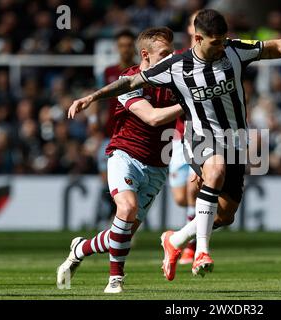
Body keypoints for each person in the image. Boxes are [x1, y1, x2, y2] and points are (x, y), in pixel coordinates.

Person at [68, 9, 281, 281]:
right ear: (198, 38)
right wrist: (92, 97)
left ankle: (175, 240)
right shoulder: (177, 66)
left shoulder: (233, 50)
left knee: (226, 214)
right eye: (215, 42)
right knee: (216, 170)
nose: (221, 46)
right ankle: (201, 252)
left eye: (223, 40)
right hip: (199, 137)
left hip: (234, 139)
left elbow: (270, 47)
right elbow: (130, 81)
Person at [57, 27, 183, 293]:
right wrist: (193, 102)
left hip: (158, 164)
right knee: (125, 210)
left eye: (172, 52)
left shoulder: (176, 81)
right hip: (125, 154)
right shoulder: (129, 79)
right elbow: (152, 118)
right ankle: (116, 279)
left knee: (122, 234)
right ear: (146, 55)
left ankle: (80, 248)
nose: (171, 58)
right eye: (165, 54)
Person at [95, 29, 137, 228]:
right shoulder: (109, 72)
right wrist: (95, 122)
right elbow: (100, 100)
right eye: (122, 45)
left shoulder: (140, 72)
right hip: (109, 134)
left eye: (129, 45)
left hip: (131, 136)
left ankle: (118, 224)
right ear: (117, 48)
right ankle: (114, 222)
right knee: (108, 184)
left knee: (125, 185)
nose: (125, 49)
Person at [169, 11, 199, 266]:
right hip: (178, 137)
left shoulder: (219, 58)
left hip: (204, 136)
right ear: (190, 29)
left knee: (193, 188)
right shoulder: (177, 59)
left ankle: (191, 247)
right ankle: (187, 234)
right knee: (180, 197)